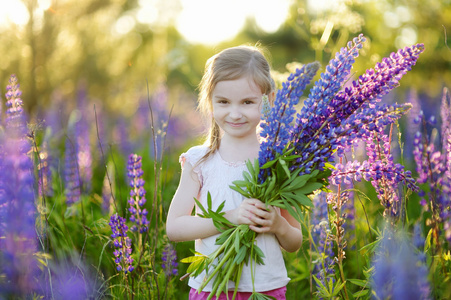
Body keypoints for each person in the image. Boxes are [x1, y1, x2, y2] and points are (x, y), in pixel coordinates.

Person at [166, 45, 303, 300]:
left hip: (264, 289)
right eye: (224, 102)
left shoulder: (280, 162)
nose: (235, 113)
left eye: (248, 102)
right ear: (210, 102)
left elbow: (295, 241)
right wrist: (230, 217)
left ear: (269, 100)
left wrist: (278, 225)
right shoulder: (199, 160)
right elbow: (174, 227)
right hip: (211, 286)